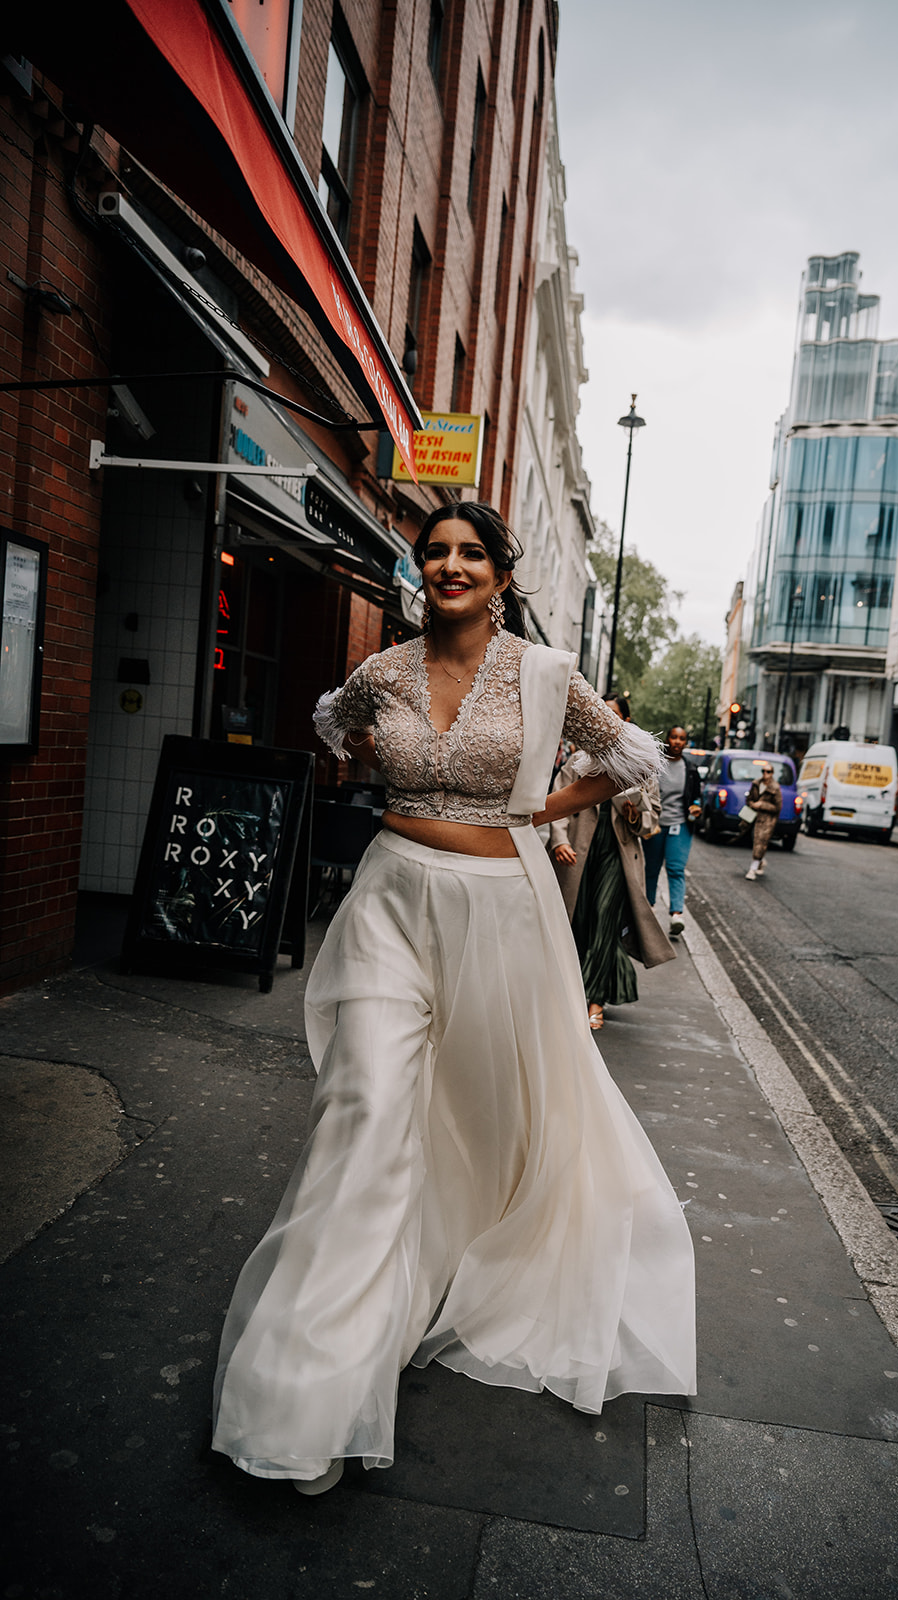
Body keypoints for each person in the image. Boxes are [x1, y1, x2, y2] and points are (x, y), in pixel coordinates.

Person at [211, 503, 697, 1495]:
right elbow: (334, 728)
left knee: (484, 1115)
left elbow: (630, 759)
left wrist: (541, 807)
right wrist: (382, 775)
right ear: (418, 570)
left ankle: (453, 1258)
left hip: (499, 914)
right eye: (435, 552)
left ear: (500, 573)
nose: (449, 564)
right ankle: (309, 1390)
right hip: (389, 901)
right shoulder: (382, 671)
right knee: (367, 1114)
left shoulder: (546, 675)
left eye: (470, 552)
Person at [549, 693, 675, 1031]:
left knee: (605, 923)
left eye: (613, 713)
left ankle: (594, 1000)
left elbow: (651, 824)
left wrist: (636, 813)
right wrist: (559, 840)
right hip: (577, 852)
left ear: (626, 721)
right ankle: (570, 993)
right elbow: (556, 805)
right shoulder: (577, 760)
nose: (606, 717)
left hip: (616, 857)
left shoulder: (640, 765)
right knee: (576, 923)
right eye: (601, 711)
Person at [642, 724, 701, 937]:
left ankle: (676, 914)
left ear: (686, 742)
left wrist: (696, 806)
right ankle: (648, 908)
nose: (677, 741)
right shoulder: (655, 764)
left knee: (676, 869)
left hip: (680, 824)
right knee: (652, 868)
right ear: (668, 739)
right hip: (655, 825)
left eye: (682, 738)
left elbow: (695, 796)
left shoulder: (691, 769)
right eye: (674, 737)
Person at [743, 760, 783, 880]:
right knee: (755, 841)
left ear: (772, 773)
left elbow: (777, 807)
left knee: (761, 842)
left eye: (768, 772)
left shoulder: (775, 788)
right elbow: (749, 799)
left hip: (767, 820)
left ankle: (752, 869)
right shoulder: (756, 783)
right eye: (763, 771)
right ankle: (760, 860)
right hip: (753, 816)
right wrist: (752, 804)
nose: (765, 773)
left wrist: (762, 805)